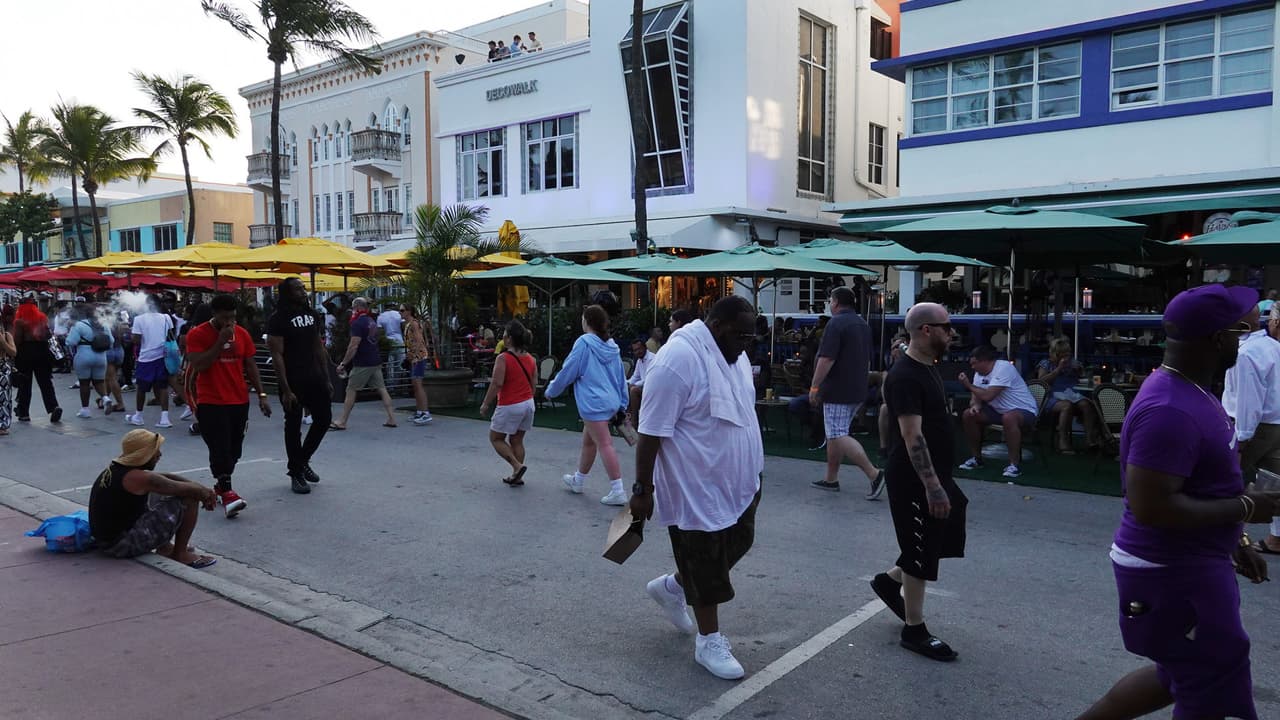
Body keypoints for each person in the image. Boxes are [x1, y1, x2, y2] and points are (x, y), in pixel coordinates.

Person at [1076, 284, 1280, 720]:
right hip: (1170, 570)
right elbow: (1153, 508)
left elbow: (1205, 487)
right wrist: (1248, 508)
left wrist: (1237, 541)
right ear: (1217, 339)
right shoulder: (1169, 410)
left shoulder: (1194, 390)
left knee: (1184, 673)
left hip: (1193, 560)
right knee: (1210, 679)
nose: (1249, 340)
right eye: (1244, 331)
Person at [630, 296, 764, 681]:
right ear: (717, 326)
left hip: (740, 480)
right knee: (705, 561)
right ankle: (709, 642)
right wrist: (642, 489)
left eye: (751, 338)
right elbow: (650, 432)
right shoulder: (678, 358)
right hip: (695, 484)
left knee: (739, 541)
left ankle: (673, 587)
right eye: (741, 336)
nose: (746, 344)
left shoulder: (733, 355)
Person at [873, 302, 966, 662]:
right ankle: (914, 629)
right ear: (926, 330)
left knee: (944, 531)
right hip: (914, 479)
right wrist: (932, 486)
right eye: (947, 327)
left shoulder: (928, 367)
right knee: (919, 548)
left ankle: (889, 581)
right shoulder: (906, 376)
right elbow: (912, 436)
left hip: (937, 474)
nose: (952, 333)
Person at [185, 294, 272, 519]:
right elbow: (199, 365)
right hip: (211, 401)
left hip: (239, 399)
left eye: (232, 317)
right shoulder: (197, 334)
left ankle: (220, 486)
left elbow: (250, 365)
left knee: (234, 450)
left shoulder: (241, 333)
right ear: (214, 314)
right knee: (219, 447)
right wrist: (219, 341)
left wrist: (262, 395)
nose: (230, 322)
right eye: (225, 317)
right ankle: (228, 495)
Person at [88, 429, 218, 568]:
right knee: (189, 498)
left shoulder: (119, 470)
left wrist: (203, 490)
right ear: (144, 454)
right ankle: (180, 554)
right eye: (156, 451)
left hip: (107, 541)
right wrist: (203, 493)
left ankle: (165, 547)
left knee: (161, 492)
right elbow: (188, 489)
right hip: (121, 545)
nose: (159, 454)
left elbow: (164, 478)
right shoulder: (139, 478)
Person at [546, 305, 630, 505]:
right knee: (589, 441)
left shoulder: (584, 343)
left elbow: (569, 370)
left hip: (593, 404)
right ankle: (578, 480)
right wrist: (622, 402)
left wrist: (551, 391)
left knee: (604, 444)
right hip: (611, 401)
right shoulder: (612, 346)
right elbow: (621, 377)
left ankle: (618, 490)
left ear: (587, 321)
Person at [808, 287, 884, 498]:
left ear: (835, 302)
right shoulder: (862, 324)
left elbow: (826, 358)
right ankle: (831, 478)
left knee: (838, 434)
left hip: (837, 388)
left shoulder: (836, 324)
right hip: (857, 386)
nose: (829, 304)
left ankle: (874, 474)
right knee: (835, 433)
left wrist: (814, 386)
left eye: (830, 301)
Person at [267, 278, 333, 495]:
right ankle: (296, 473)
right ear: (287, 293)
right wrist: (286, 389)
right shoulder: (277, 319)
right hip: (293, 379)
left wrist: (326, 377)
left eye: (303, 288)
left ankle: (301, 461)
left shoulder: (312, 315)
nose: (303, 292)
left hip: (314, 377)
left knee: (324, 419)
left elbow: (318, 346)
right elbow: (277, 355)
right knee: (293, 426)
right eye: (298, 289)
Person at [958, 345, 1039, 478]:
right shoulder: (979, 374)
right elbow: (975, 398)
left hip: (1024, 410)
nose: (972, 367)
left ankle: (1014, 465)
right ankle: (976, 458)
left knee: (1009, 418)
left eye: (974, 364)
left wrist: (967, 385)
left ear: (984, 361)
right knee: (968, 415)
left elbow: (988, 396)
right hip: (998, 411)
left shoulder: (1004, 368)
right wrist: (975, 406)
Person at [480, 321, 536, 487]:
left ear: (510, 338)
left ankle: (517, 466)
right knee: (517, 440)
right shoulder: (531, 359)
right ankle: (516, 475)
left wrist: (485, 403)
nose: (502, 337)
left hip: (510, 404)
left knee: (496, 438)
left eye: (504, 334)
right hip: (528, 404)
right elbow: (533, 385)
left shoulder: (503, 358)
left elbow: (497, 383)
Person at [332, 297, 397, 430]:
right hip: (375, 360)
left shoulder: (357, 323)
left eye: (353, 308)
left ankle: (342, 421)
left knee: (351, 389)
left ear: (357, 308)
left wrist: (343, 363)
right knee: (382, 389)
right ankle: (392, 418)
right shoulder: (371, 321)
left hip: (363, 363)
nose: (352, 311)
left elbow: (353, 345)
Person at [1036, 338, 1099, 453]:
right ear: (1056, 353)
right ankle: (1063, 441)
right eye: (1064, 352)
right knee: (1067, 406)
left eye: (1068, 352)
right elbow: (1041, 382)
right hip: (1052, 396)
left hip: (1072, 393)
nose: (1067, 355)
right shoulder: (1046, 363)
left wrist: (1079, 372)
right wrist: (1058, 369)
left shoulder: (1073, 363)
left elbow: (1082, 378)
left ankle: (1090, 440)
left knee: (1087, 405)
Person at [13, 296, 61, 424]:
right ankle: (53, 406)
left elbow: (18, 340)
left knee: (25, 383)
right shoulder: (42, 318)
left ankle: (24, 413)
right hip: (42, 351)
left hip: (25, 352)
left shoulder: (20, 321)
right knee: (46, 382)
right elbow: (48, 335)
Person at [128, 295, 174, 428]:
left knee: (141, 388)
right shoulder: (166, 318)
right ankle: (164, 418)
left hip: (146, 358)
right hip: (163, 356)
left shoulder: (139, 319)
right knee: (163, 387)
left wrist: (131, 335)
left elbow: (136, 340)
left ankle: (138, 416)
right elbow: (170, 335)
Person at [65, 307, 111, 418]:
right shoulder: (104, 325)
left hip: (84, 356)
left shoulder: (79, 325)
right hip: (101, 357)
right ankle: (105, 398)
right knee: (99, 382)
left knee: (84, 383)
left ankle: (85, 410)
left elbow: (71, 342)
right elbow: (111, 341)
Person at [401, 304, 434, 426]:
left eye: (402, 310)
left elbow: (419, 340)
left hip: (418, 357)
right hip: (414, 357)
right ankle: (420, 411)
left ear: (409, 311)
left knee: (418, 384)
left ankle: (425, 413)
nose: (400, 313)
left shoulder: (414, 324)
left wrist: (415, 355)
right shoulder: (408, 324)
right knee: (415, 385)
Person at [377, 302, 405, 387]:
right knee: (399, 363)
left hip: (388, 342)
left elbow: (379, 332)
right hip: (399, 340)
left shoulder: (381, 316)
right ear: (393, 306)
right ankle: (398, 384)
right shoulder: (398, 314)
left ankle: (390, 385)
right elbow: (403, 327)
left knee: (389, 364)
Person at [627, 338, 655, 418]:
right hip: (643, 386)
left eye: (639, 349)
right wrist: (627, 383)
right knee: (625, 387)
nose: (638, 352)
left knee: (633, 390)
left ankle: (634, 419)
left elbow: (648, 379)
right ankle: (626, 416)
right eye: (635, 350)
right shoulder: (640, 360)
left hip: (652, 387)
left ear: (645, 347)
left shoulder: (652, 358)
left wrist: (634, 385)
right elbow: (635, 376)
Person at [0, 315, 14, 436]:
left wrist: (3, 342)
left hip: (3, 368)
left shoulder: (7, 335)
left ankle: (2, 425)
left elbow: (13, 352)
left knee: (4, 397)